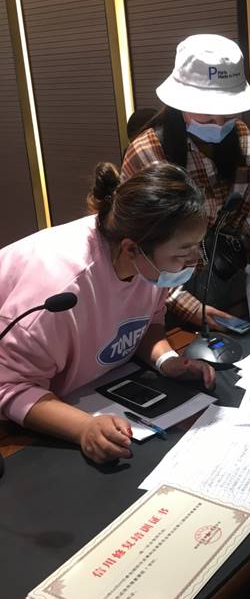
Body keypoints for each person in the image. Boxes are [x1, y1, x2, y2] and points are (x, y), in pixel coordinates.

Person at [0, 161, 215, 465]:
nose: (194, 261)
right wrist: (84, 428)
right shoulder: (58, 292)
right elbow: (10, 387)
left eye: (197, 247)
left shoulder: (146, 261)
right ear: (131, 249)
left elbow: (146, 321)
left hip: (90, 391)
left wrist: (166, 360)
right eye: (183, 252)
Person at [121, 34, 250, 331]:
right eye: (209, 115)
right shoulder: (148, 152)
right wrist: (190, 308)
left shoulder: (240, 136)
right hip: (166, 292)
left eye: (227, 113)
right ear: (180, 103)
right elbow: (142, 249)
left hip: (228, 281)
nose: (220, 123)